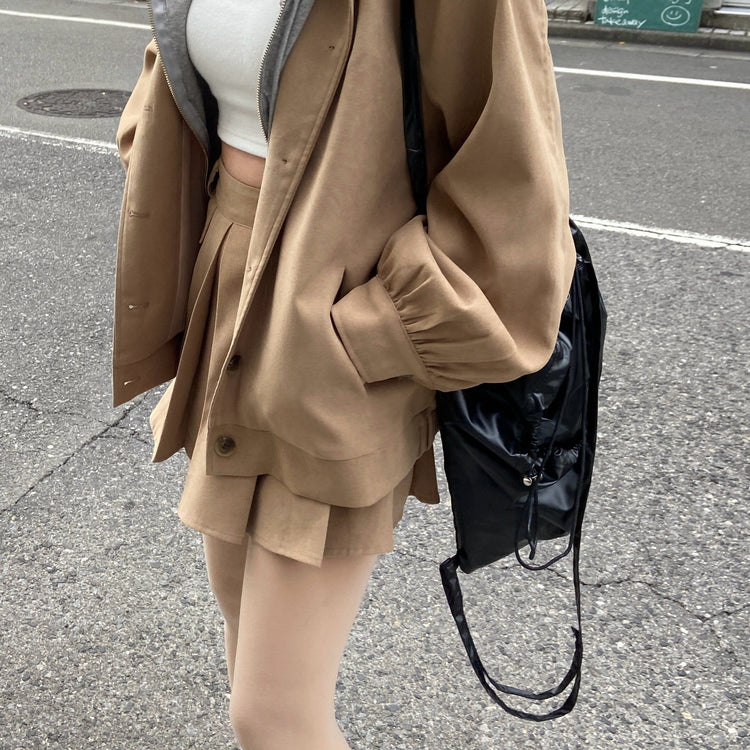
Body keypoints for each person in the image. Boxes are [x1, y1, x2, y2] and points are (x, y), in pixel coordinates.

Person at [112, 0, 576, 747]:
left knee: (272, 716)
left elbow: (515, 206)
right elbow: (173, 67)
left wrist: (365, 337)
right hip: (227, 286)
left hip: (337, 322)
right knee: (242, 626)